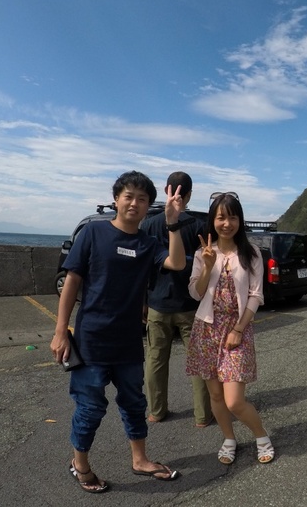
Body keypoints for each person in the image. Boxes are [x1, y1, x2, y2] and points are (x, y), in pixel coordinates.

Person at [50, 171, 184, 493]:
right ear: (116, 199)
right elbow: (72, 281)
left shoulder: (148, 244)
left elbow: (178, 263)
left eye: (142, 199)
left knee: (134, 402)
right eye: (129, 196)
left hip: (128, 343)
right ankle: (80, 464)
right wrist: (60, 331)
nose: (134, 203)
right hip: (91, 340)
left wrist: (173, 223)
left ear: (149, 206)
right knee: (90, 407)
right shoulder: (94, 233)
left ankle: (140, 459)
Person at [186, 192, 275, 465]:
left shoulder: (251, 253)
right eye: (221, 217)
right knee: (215, 395)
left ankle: (261, 435)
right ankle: (228, 438)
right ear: (213, 221)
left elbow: (256, 295)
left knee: (234, 401)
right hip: (206, 330)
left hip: (237, 329)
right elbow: (195, 293)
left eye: (232, 217)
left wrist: (238, 328)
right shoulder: (203, 253)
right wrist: (207, 267)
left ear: (240, 220)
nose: (227, 223)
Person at [140, 171, 212, 426]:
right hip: (191, 305)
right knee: (198, 361)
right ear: (189, 194)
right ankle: (202, 415)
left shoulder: (148, 225)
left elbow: (144, 268)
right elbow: (207, 264)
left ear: (165, 190)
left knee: (156, 360)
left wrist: (143, 301)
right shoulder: (198, 225)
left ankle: (156, 411)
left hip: (158, 302)